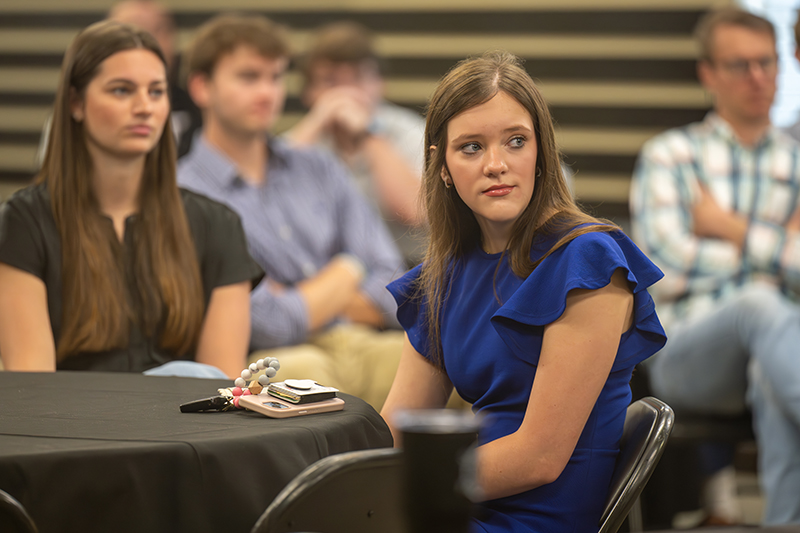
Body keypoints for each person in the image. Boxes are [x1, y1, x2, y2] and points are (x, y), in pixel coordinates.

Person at [380, 51, 667, 532]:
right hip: (458, 504)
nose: (496, 164)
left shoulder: (589, 260)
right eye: (471, 147)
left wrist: (407, 487)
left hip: (533, 518)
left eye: (516, 141)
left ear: (541, 151)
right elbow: (397, 429)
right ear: (442, 166)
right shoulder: (445, 273)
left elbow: (539, 457)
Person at [0, 20, 263, 378]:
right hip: (74, 426)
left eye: (156, 92)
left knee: (201, 377)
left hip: (186, 428)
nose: (145, 107)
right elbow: (32, 383)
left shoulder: (218, 224)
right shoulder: (24, 221)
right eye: (122, 91)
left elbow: (221, 390)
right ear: (76, 103)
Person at [177, 14, 406, 409]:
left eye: (276, 77)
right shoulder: (183, 193)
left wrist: (302, 298)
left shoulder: (319, 167)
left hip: (362, 341)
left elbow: (393, 281)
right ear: (201, 87)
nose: (267, 92)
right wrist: (349, 269)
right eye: (249, 77)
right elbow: (266, 322)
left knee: (459, 361)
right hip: (272, 361)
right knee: (292, 380)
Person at [630, 7, 800, 525]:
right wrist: (777, 253)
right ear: (708, 73)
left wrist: (726, 228)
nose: (758, 78)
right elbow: (665, 267)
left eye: (767, 63)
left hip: (774, 354)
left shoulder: (796, 162)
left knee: (771, 365)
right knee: (760, 302)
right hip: (686, 354)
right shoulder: (671, 156)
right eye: (740, 65)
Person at [286, 21, 425, 264]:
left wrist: (368, 133)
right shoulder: (304, 138)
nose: (346, 94)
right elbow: (263, 198)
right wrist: (316, 121)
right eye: (331, 82)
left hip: (407, 269)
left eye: (358, 79)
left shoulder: (411, 132)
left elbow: (413, 212)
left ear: (380, 84)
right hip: (324, 271)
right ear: (309, 92)